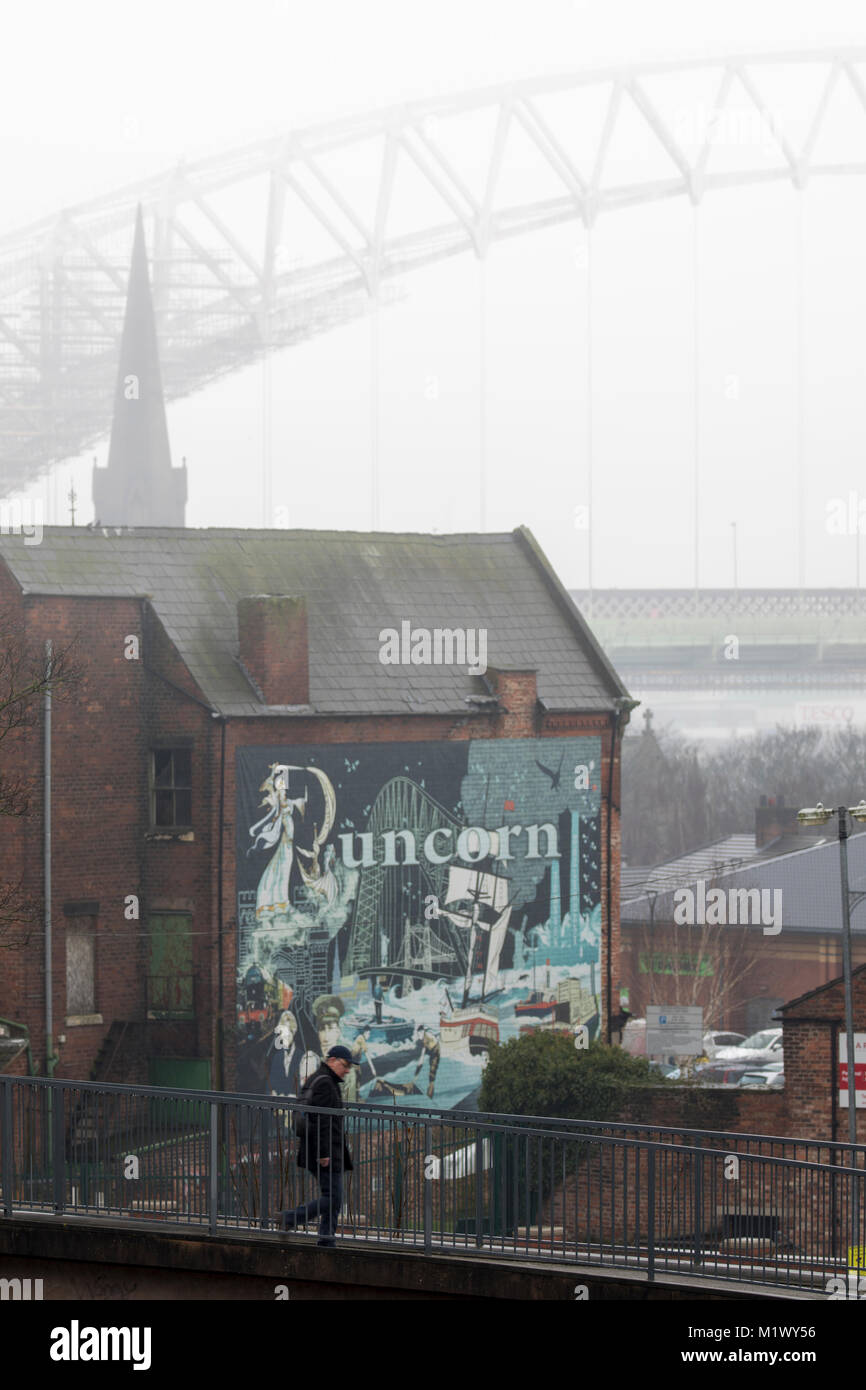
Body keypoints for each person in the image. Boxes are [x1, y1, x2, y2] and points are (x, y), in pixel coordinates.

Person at [278, 1045, 358, 1246]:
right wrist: (324, 1153)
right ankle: (290, 1218)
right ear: (332, 1060)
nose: (347, 1070)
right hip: (325, 1152)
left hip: (325, 1150)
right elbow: (321, 1120)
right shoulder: (325, 1083)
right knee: (333, 1198)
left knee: (333, 1198)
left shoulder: (321, 1079)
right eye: (345, 1065)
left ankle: (326, 1240)